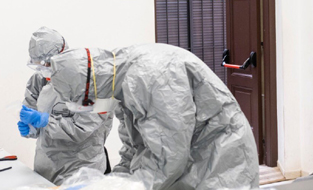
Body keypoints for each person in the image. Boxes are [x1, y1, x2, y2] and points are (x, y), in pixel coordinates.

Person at [26, 44, 259, 189]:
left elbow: (168, 158)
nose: (88, 110)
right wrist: (109, 181)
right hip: (186, 164)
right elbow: (134, 149)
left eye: (85, 104)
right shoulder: (118, 85)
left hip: (219, 161)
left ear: (90, 88)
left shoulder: (152, 78)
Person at [18, 27, 113, 184]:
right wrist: (30, 127)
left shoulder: (95, 84)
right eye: (38, 66)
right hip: (46, 168)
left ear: (63, 56)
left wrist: (45, 122)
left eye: (47, 65)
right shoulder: (39, 79)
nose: (43, 72)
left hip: (82, 170)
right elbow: (31, 111)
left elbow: (81, 130)